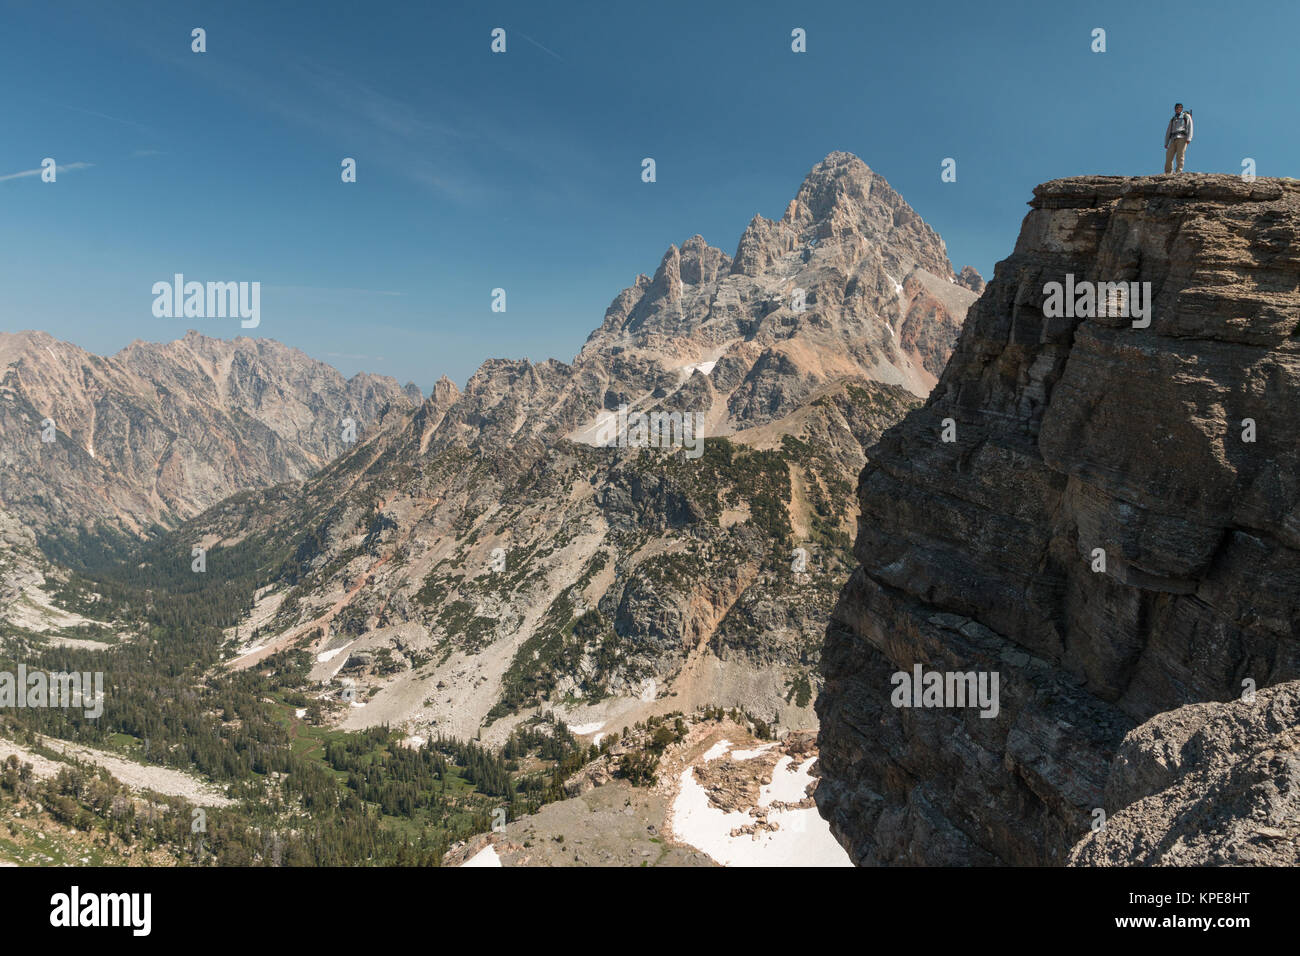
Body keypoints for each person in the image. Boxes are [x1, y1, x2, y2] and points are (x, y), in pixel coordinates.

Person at [1164, 103, 1193, 173]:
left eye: (1179, 108)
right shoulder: (1173, 119)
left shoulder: (1186, 116)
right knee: (1169, 156)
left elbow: (1190, 126)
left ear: (1181, 108)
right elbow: (1168, 131)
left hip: (1182, 138)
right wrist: (1166, 142)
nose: (1177, 109)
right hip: (1173, 139)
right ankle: (1168, 172)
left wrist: (1189, 138)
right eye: (1176, 108)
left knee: (1180, 155)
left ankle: (1178, 171)